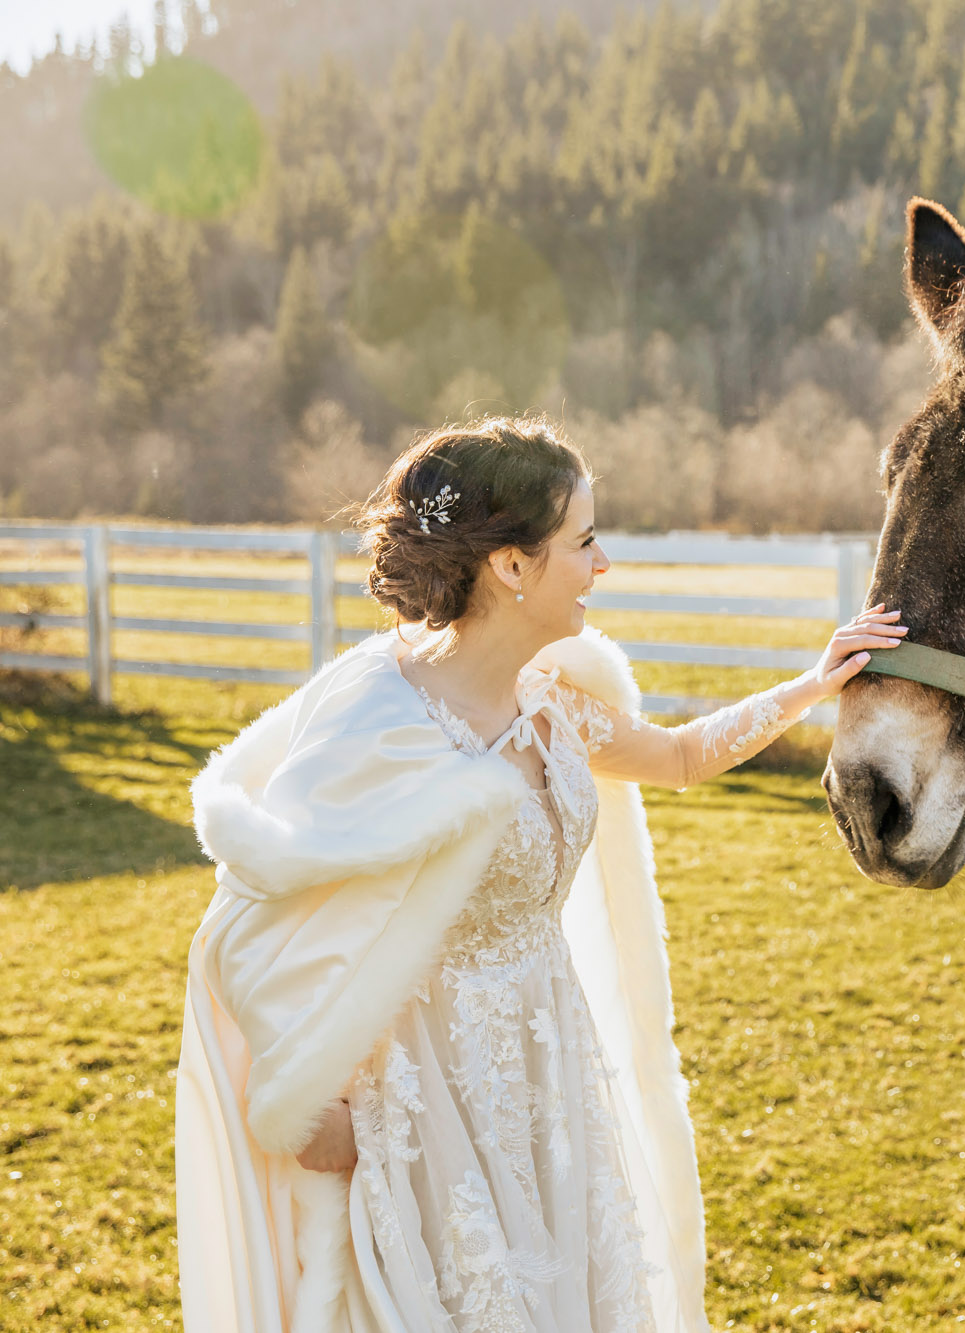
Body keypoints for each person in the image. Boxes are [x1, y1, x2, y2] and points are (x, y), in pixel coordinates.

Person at [175, 416, 904, 1333]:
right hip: (426, 1098)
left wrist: (810, 685)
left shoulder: (552, 695)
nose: (604, 564)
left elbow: (676, 756)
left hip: (549, 1069)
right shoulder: (377, 712)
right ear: (512, 567)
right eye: (584, 540)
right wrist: (302, 1104)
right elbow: (250, 914)